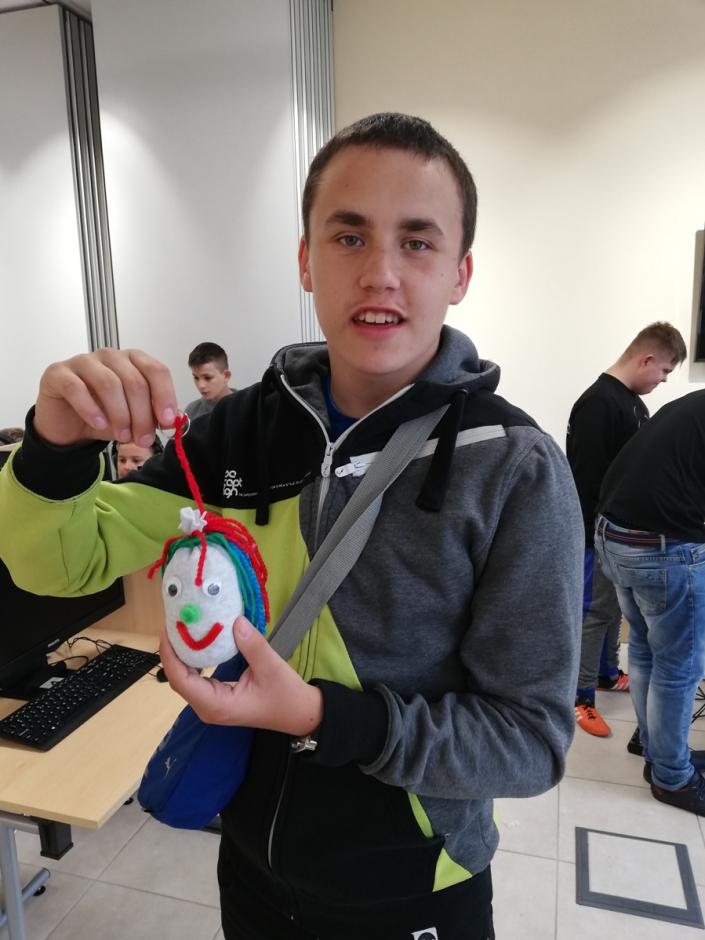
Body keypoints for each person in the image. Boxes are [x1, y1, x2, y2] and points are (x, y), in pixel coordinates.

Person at [0, 113, 583, 940]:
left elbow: (528, 742)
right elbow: (61, 563)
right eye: (349, 237)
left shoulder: (512, 467)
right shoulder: (236, 430)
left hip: (413, 888)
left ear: (460, 273)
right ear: (306, 260)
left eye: (416, 242)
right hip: (251, 869)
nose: (379, 273)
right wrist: (54, 447)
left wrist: (320, 716)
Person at [567, 322, 686, 738]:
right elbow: (590, 479)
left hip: (623, 535)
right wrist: (603, 534)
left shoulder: (631, 403)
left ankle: (606, 673)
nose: (663, 380)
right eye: (664, 371)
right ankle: (579, 697)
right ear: (646, 359)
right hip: (598, 532)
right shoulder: (599, 403)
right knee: (594, 612)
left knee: (615, 609)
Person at [595, 388, 705, 816]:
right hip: (662, 548)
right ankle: (672, 778)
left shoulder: (692, 403)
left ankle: (653, 745)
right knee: (680, 666)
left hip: (616, 537)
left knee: (643, 648)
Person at [184, 341, 234, 420]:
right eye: (196, 377)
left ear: (226, 376)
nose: (201, 385)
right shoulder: (191, 411)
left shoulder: (247, 406)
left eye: (207, 378)